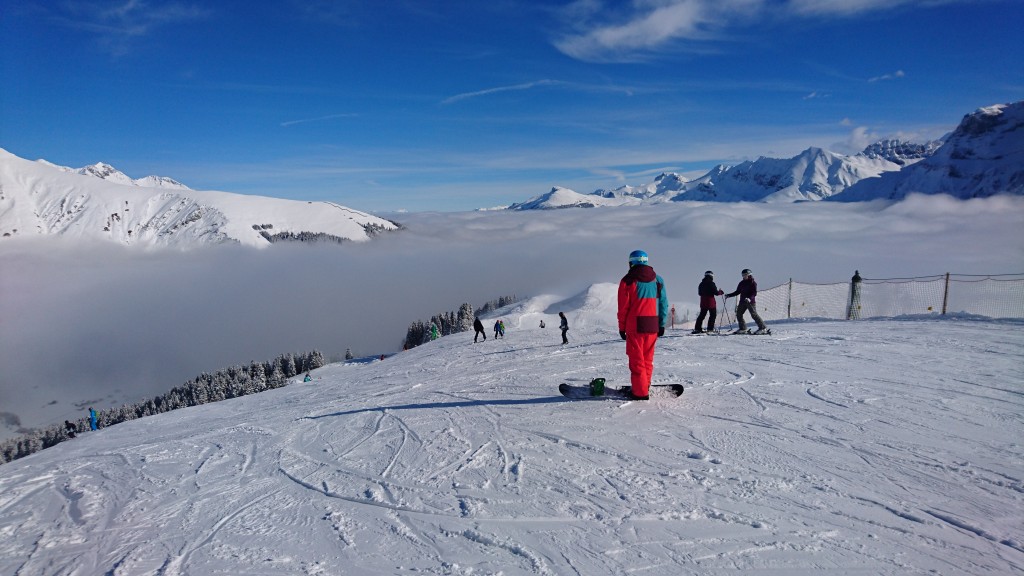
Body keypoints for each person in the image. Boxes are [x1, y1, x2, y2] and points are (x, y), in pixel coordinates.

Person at [617, 250, 669, 400]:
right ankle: (644, 386)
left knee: (637, 360)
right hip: (652, 326)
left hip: (635, 327)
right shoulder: (658, 280)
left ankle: (640, 393)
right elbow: (663, 303)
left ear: (631, 263)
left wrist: (622, 327)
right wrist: (661, 324)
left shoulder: (627, 281)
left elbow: (623, 308)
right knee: (647, 359)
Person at [725, 268, 769, 334]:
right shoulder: (741, 283)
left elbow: (754, 293)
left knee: (754, 314)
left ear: (749, 275)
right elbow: (737, 292)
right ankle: (743, 328)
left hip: (750, 302)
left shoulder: (753, 283)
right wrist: (729, 295)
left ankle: (763, 328)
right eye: (743, 275)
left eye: (745, 275)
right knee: (739, 314)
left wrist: (749, 298)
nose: (744, 276)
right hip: (742, 301)